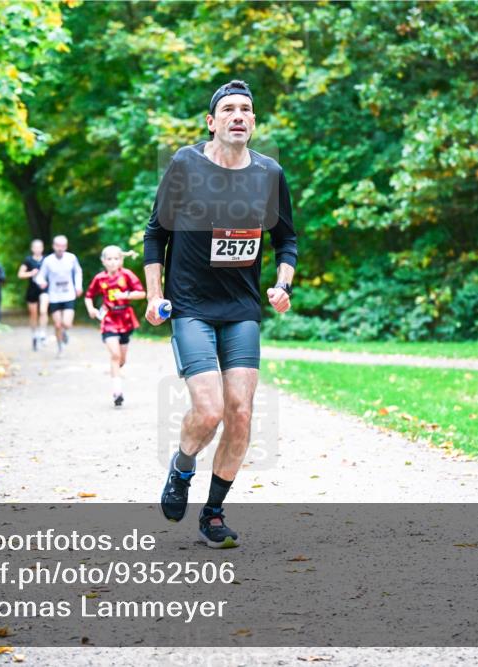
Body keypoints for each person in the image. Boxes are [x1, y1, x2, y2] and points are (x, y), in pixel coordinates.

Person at [143, 80, 297, 548]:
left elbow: (285, 240)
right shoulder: (186, 164)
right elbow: (156, 235)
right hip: (190, 305)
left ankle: (213, 513)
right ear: (211, 122)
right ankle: (183, 466)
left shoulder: (269, 173)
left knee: (242, 413)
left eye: (246, 109)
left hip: (241, 308)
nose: (238, 115)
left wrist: (282, 284)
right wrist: (154, 296)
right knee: (208, 411)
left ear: (253, 122)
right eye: (228, 109)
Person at [84, 246, 146, 407]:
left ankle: (115, 370)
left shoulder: (127, 275)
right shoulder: (100, 278)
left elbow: (141, 293)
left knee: (122, 359)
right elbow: (89, 296)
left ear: (121, 260)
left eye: (116, 259)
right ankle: (117, 392)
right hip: (109, 319)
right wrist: (91, 309)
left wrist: (125, 295)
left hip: (125, 318)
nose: (112, 262)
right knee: (115, 356)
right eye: (109, 259)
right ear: (103, 261)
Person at [34, 235, 83, 357]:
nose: (60, 248)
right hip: (54, 296)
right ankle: (60, 346)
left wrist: (78, 286)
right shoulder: (48, 260)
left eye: (63, 246)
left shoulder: (71, 258)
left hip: (68, 295)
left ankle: (65, 332)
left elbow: (78, 272)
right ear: (53, 246)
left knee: (66, 323)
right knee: (57, 324)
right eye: (58, 246)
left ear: (66, 246)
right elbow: (40, 276)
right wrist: (41, 282)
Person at [18, 239, 49, 350]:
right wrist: (31, 273)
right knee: (33, 314)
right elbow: (20, 274)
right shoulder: (28, 260)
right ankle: (34, 334)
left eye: (39, 247)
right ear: (32, 249)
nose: (37, 249)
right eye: (35, 247)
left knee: (43, 311)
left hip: (44, 289)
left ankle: (43, 333)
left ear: (42, 248)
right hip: (32, 290)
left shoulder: (47, 260)